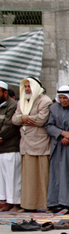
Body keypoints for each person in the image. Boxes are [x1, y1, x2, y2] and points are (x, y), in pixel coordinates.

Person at [11, 77, 52, 211]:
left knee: (42, 177)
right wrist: (24, 119)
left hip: (40, 144)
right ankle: (28, 205)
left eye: (29, 86)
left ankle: (43, 204)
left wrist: (23, 118)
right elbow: (15, 119)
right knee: (28, 178)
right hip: (26, 144)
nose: (27, 89)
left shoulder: (44, 100)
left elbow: (41, 120)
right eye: (26, 87)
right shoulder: (22, 101)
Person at [0, 80, 21, 212]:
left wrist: (1, 136)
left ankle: (15, 203)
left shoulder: (12, 105)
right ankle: (6, 201)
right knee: (3, 178)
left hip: (10, 147)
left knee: (13, 177)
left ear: (5, 92)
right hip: (1, 149)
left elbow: (9, 125)